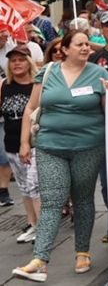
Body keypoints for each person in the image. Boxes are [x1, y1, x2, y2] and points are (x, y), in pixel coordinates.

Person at [13, 31, 108, 281]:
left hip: (88, 147)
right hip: (50, 146)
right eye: (79, 44)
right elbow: (31, 108)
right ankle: (40, 259)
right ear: (65, 49)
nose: (85, 48)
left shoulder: (100, 74)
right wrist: (24, 141)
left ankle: (83, 252)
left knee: (82, 199)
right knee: (52, 201)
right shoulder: (47, 72)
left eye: (86, 44)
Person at [1, 46, 41, 244]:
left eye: (21, 59)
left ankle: (43, 229)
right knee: (25, 188)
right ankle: (32, 223)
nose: (16, 63)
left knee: (35, 185)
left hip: (34, 145)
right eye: (13, 60)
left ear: (29, 62)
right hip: (11, 145)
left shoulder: (36, 86)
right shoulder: (4, 86)